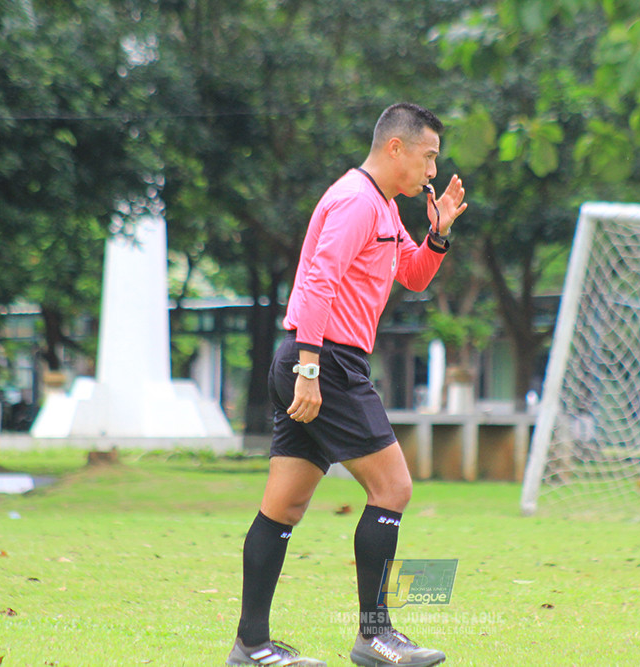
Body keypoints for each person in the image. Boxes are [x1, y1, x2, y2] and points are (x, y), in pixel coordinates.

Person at [226, 103, 467, 667]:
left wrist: (436, 235)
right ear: (395, 149)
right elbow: (317, 283)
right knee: (394, 489)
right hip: (325, 362)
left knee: (283, 506)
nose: (432, 171)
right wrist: (309, 369)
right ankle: (375, 637)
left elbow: (411, 275)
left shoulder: (383, 207)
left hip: (322, 360)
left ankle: (251, 646)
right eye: (428, 157)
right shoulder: (357, 200)